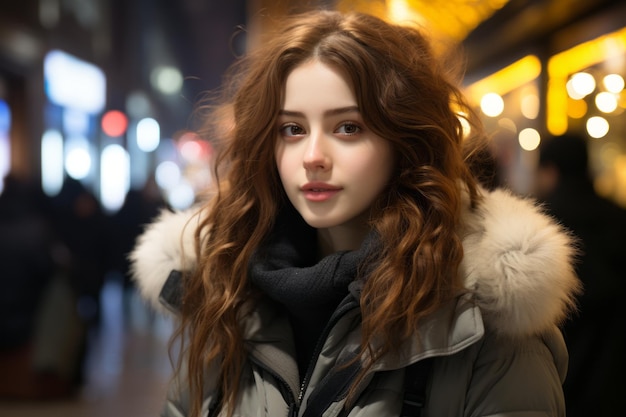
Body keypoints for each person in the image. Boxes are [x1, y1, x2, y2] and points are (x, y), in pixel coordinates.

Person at [131, 10, 581, 417]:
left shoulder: (484, 322)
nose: (312, 155)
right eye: (292, 129)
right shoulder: (224, 291)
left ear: (403, 140)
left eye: (348, 127)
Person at [536, 133, 626, 417]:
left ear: (551, 170)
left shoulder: (543, 224)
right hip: (614, 377)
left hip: (555, 379)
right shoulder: (618, 217)